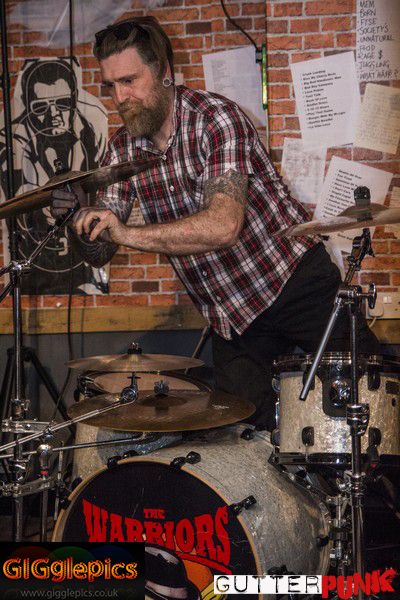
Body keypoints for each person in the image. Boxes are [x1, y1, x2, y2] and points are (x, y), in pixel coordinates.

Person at [51, 16, 380, 431]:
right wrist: (77, 220)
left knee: (374, 390)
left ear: (165, 72)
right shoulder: (122, 149)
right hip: (233, 316)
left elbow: (224, 226)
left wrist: (126, 231)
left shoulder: (216, 119)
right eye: (111, 86)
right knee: (243, 437)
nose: (120, 97)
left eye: (130, 81)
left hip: (295, 283)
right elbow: (101, 249)